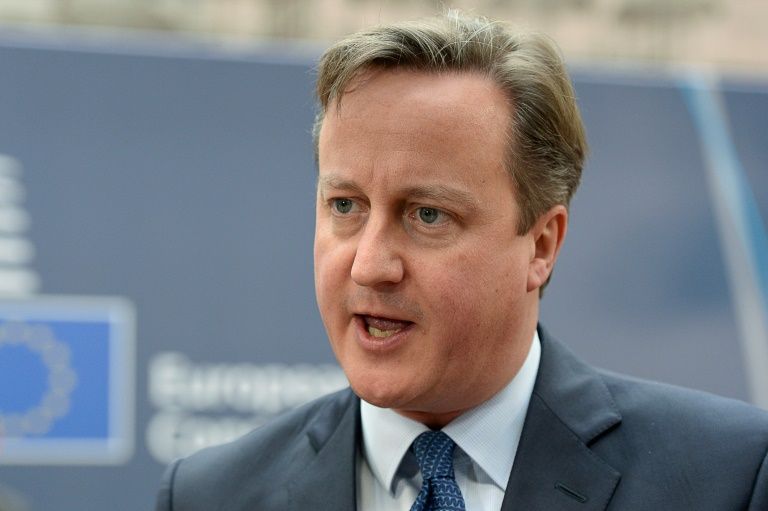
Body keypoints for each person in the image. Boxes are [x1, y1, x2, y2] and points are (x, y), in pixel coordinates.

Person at [155, 11, 768, 510]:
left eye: (427, 215)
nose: (369, 266)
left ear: (542, 245)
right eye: (345, 205)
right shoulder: (210, 496)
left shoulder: (728, 478)